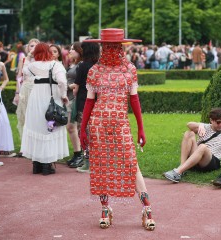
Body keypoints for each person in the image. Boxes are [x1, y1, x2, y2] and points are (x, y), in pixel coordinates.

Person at [80, 28, 155, 230]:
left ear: (121, 47)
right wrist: (83, 128)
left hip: (120, 122)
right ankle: (105, 208)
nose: (112, 49)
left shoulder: (129, 69)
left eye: (115, 46)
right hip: (98, 123)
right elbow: (89, 102)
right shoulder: (94, 71)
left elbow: (134, 99)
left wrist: (141, 128)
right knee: (101, 166)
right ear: (102, 47)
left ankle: (147, 208)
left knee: (131, 163)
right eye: (107, 46)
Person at [20, 43, 69, 175]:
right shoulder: (56, 65)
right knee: (49, 128)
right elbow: (62, 82)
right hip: (51, 100)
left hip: (35, 100)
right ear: (48, 52)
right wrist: (64, 95)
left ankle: (37, 165)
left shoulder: (33, 65)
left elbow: (24, 71)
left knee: (36, 127)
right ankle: (47, 165)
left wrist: (29, 55)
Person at [163, 108, 221, 183]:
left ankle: (177, 172)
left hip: (212, 161)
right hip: (197, 156)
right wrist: (201, 125)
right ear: (211, 120)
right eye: (218, 122)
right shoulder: (205, 127)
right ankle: (181, 169)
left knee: (203, 146)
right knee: (189, 133)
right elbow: (188, 124)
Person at [70, 40, 100, 169]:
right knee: (96, 133)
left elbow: (76, 88)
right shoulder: (99, 65)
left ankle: (87, 163)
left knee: (83, 132)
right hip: (99, 102)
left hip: (83, 101)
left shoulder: (82, 66)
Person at [0, 41, 15, 158]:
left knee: (3, 120)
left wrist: (1, 87)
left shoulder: (1, 65)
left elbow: (6, 79)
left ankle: (2, 147)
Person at [14, 38, 40, 142]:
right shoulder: (24, 59)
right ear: (28, 47)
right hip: (25, 91)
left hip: (38, 91)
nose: (33, 48)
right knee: (24, 118)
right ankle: (24, 144)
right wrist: (17, 93)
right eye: (31, 46)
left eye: (35, 46)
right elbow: (19, 77)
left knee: (36, 117)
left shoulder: (42, 60)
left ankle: (35, 143)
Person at [65, 42, 84, 170]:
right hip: (69, 97)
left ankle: (80, 154)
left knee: (73, 126)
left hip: (75, 98)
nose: (70, 51)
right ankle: (78, 153)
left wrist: (71, 86)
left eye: (73, 49)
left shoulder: (81, 65)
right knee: (72, 127)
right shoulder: (74, 64)